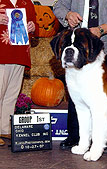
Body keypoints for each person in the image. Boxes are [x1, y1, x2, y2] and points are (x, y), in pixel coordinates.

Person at [53, 0, 107, 151]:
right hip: (77, 46)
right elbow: (58, 6)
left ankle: (106, 140)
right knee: (77, 93)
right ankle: (75, 136)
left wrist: (100, 30)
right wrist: (68, 15)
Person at [0, 0, 38, 146]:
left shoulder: (27, 2)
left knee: (11, 95)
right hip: (2, 53)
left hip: (20, 53)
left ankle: (4, 128)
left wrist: (33, 27)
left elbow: (35, 27)